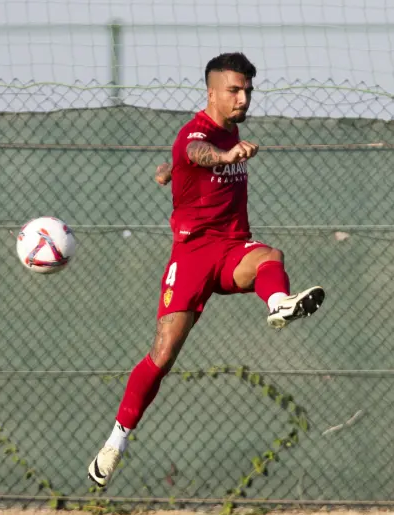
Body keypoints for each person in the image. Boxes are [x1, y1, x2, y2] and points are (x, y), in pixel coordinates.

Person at [87, 52, 325, 488]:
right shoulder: (197, 134)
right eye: (234, 90)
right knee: (162, 357)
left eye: (248, 90)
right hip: (192, 257)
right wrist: (223, 154)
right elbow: (197, 151)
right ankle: (115, 442)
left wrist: (171, 171)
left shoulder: (228, 131)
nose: (243, 98)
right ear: (211, 92)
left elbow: (184, 163)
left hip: (232, 250)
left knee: (271, 256)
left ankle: (278, 303)